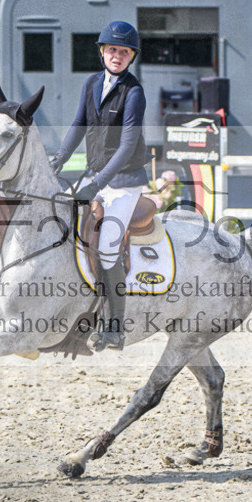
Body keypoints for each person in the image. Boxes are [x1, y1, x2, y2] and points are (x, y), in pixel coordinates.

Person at [49, 20, 149, 351]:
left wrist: (98, 183)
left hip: (124, 181)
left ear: (131, 57)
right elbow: (79, 123)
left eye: (124, 52)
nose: (117, 56)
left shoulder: (134, 93)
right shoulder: (92, 83)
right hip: (95, 176)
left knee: (106, 247)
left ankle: (116, 328)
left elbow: (127, 146)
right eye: (112, 50)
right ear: (102, 52)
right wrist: (60, 157)